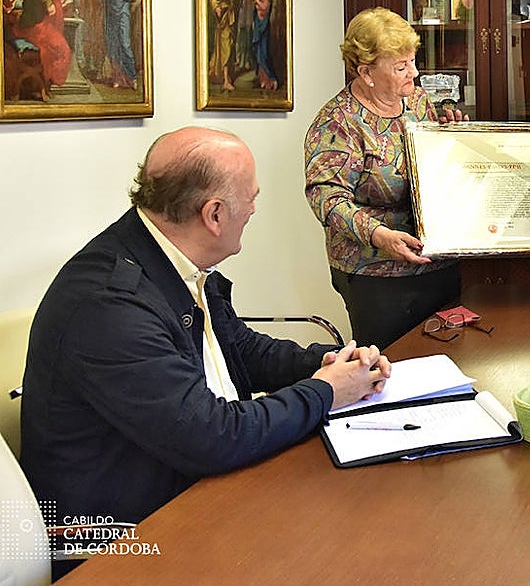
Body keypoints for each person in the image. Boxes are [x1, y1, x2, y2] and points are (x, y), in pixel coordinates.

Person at [21, 127, 390, 579]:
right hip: (124, 542)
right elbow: (214, 436)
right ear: (214, 214)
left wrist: (329, 362)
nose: (254, 208)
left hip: (191, 489)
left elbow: (241, 349)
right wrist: (326, 392)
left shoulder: (169, 257)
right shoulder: (109, 304)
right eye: (251, 198)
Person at [304, 7, 466, 349]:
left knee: (446, 356)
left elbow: (430, 168)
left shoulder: (418, 102)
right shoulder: (338, 122)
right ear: (366, 72)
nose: (415, 73)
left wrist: (451, 136)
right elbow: (326, 198)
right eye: (401, 66)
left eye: (413, 61)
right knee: (392, 364)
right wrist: (379, 236)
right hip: (376, 273)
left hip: (437, 261)